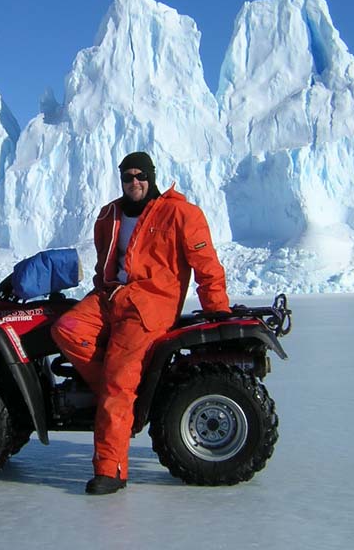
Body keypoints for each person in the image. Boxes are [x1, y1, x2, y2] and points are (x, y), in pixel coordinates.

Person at [51, 151, 230, 495]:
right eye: (128, 177)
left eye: (140, 176)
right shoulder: (109, 214)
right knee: (65, 329)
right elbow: (106, 260)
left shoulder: (180, 213)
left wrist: (216, 310)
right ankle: (122, 392)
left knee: (118, 384)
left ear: (151, 176)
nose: (134, 183)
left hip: (150, 305)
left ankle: (111, 470)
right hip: (110, 298)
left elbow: (207, 265)